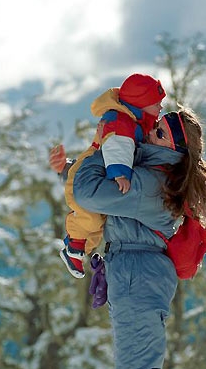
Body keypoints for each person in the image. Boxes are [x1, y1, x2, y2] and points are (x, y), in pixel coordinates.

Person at [70, 107, 206, 369]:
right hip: (137, 271)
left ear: (170, 142)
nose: (146, 129)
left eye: (155, 129)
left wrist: (98, 149)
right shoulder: (152, 176)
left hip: (138, 275)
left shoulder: (151, 183)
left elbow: (87, 192)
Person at [51, 73, 166, 279]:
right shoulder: (121, 120)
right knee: (90, 217)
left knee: (97, 220)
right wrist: (120, 173)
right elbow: (117, 147)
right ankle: (74, 246)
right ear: (141, 103)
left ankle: (77, 251)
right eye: (156, 103)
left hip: (97, 173)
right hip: (92, 173)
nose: (160, 107)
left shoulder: (134, 122)